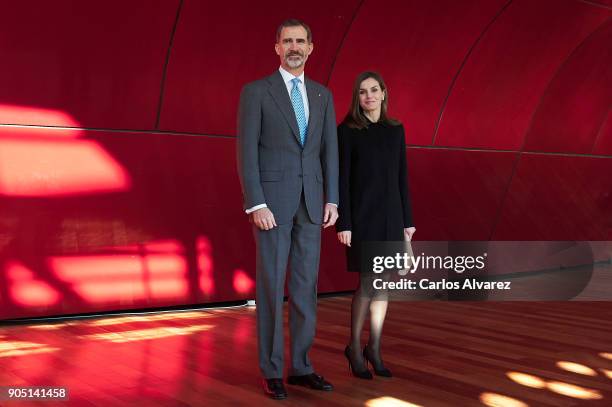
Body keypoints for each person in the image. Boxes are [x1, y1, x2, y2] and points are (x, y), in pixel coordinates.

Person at [236, 18, 339, 400]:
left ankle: (302, 366)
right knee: (270, 286)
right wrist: (255, 203)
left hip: (312, 204)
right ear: (276, 47)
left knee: (304, 288)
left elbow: (330, 151)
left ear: (311, 47)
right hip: (272, 207)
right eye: (287, 41)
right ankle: (272, 370)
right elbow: (246, 151)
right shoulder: (256, 92)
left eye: (300, 41)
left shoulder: (322, 95)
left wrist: (332, 198)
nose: (294, 47)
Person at [336, 71, 416, 379]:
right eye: (362, 92)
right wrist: (345, 222)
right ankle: (355, 348)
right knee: (368, 283)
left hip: (391, 218)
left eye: (373, 90)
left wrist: (407, 223)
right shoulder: (348, 131)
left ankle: (375, 347)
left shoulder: (396, 130)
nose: (368, 96)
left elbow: (401, 178)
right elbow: (342, 180)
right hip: (362, 219)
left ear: (383, 93)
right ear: (357, 98)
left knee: (384, 285)